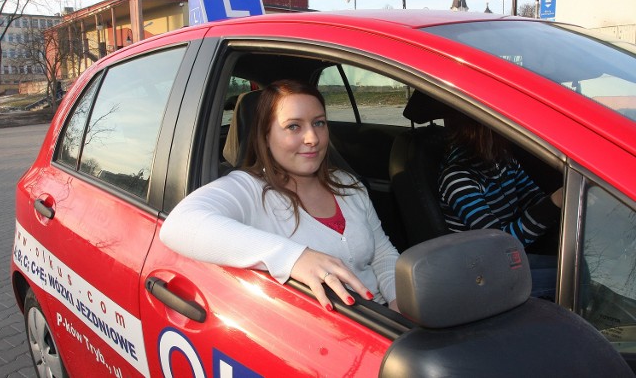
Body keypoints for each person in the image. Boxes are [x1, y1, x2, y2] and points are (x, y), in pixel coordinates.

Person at [160, 79, 399, 312]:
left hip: (385, 322)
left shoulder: (349, 185)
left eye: (319, 123)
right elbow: (179, 224)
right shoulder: (250, 190)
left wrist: (399, 301)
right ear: (265, 136)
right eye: (293, 126)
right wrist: (293, 257)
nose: (312, 138)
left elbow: (381, 253)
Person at [438, 116, 562, 298]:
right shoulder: (457, 177)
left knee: (577, 267)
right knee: (578, 281)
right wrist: (554, 203)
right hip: (481, 272)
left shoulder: (502, 160)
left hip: (506, 260)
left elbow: (533, 197)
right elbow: (499, 244)